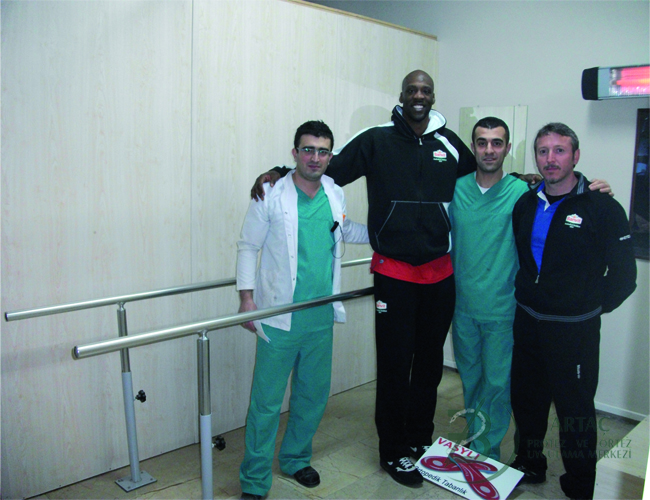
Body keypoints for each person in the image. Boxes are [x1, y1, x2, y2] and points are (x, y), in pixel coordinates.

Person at [251, 70, 477, 486]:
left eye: (426, 90)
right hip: (394, 272)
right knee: (394, 366)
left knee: (429, 366)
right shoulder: (376, 139)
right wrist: (280, 171)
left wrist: (524, 180)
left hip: (439, 273)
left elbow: (481, 173)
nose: (419, 96)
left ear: (433, 96)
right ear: (402, 95)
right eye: (412, 90)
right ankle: (393, 451)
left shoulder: (448, 142)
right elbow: (326, 167)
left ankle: (419, 440)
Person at [449, 117, 611, 461]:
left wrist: (596, 190)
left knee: (497, 385)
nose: (489, 150)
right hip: (463, 308)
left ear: (508, 148)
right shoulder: (456, 188)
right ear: (473, 147)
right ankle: (477, 438)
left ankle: (486, 453)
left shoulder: (522, 193)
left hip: (503, 309)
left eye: (497, 143)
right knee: (471, 380)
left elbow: (563, 191)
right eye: (482, 142)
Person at [236, 120, 369, 500]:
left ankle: (295, 458)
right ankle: (255, 480)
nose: (315, 157)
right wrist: (247, 300)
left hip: (320, 316)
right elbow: (248, 246)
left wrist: (391, 233)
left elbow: (344, 230)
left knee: (312, 396)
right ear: (295, 153)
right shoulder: (270, 192)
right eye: (308, 149)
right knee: (266, 404)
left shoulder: (334, 192)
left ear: (330, 156)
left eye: (323, 151)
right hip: (279, 318)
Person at [509, 123, 637, 500]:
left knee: (575, 411)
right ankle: (530, 463)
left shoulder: (602, 206)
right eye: (543, 151)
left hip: (573, 330)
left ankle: (580, 484)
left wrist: (587, 307)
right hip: (528, 321)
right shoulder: (526, 203)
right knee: (527, 401)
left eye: (560, 150)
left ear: (576, 156)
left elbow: (625, 276)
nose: (551, 159)